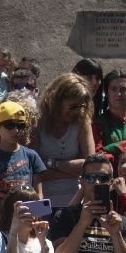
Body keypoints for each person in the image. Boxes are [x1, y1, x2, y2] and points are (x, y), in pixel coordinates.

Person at [0, 102, 47, 226]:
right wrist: (1, 224)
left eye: (20, 125)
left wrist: (32, 222)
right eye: (9, 125)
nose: (16, 130)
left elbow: (38, 194)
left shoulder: (31, 155)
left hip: (27, 223)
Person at [32, 74, 95, 206]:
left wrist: (52, 164)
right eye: (73, 106)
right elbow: (34, 170)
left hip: (75, 197)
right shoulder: (37, 122)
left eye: (82, 106)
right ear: (57, 101)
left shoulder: (82, 123)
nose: (78, 111)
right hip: (43, 197)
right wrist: (73, 170)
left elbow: (90, 166)